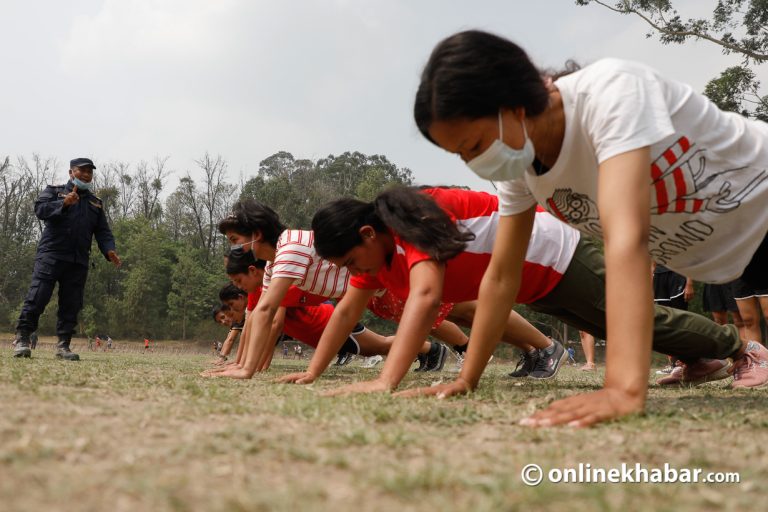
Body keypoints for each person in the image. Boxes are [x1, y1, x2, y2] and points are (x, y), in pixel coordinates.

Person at [412, 30, 768, 426]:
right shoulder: (521, 169)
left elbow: (626, 240)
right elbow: (501, 277)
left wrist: (621, 389)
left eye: (475, 144)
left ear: (512, 104)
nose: (472, 164)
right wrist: (467, 378)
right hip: (739, 250)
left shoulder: (611, 93)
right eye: (459, 155)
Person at [298, 187, 748, 397]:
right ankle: (700, 361)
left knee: (638, 320)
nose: (354, 273)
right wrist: (312, 373)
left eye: (351, 262)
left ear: (367, 234)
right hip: (533, 285)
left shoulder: (411, 221)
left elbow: (426, 299)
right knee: (611, 328)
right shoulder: (376, 259)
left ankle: (745, 350)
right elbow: (343, 314)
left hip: (559, 256)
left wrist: (384, 381)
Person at [13, 158, 121, 360]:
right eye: (82, 171)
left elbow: (103, 232)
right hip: (51, 255)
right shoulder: (55, 190)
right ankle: (22, 338)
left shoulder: (95, 203)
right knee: (38, 297)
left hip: (78, 260)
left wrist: (109, 251)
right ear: (71, 172)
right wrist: (63, 203)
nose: (87, 175)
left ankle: (63, 346)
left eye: (90, 172)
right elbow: (40, 209)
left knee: (71, 304)